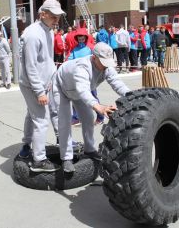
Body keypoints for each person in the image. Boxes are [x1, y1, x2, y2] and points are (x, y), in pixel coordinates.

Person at [51, 42, 131, 172]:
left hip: (80, 92)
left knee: (88, 119)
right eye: (103, 62)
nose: (106, 66)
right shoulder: (82, 67)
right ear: (94, 58)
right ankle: (66, 158)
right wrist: (98, 106)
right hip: (61, 88)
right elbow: (83, 90)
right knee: (65, 122)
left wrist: (132, 96)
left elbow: (117, 83)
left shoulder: (107, 67)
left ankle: (89, 150)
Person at [18, 0, 65, 172]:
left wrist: (51, 80)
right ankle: (38, 160)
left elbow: (46, 60)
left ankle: (26, 146)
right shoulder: (32, 35)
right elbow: (30, 67)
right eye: (53, 16)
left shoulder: (49, 31)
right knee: (41, 120)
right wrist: (39, 91)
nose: (57, 20)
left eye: (58, 16)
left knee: (32, 115)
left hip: (45, 83)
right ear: (42, 14)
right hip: (32, 85)